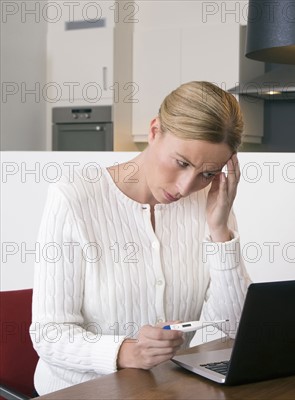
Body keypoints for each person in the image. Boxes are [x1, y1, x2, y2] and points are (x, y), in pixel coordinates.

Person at [30, 81, 252, 395]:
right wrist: (125, 352)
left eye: (208, 173)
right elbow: (49, 334)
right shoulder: (74, 199)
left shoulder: (211, 206)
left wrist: (220, 233)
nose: (186, 186)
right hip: (81, 391)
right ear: (153, 131)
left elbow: (231, 332)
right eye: (181, 163)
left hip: (166, 390)